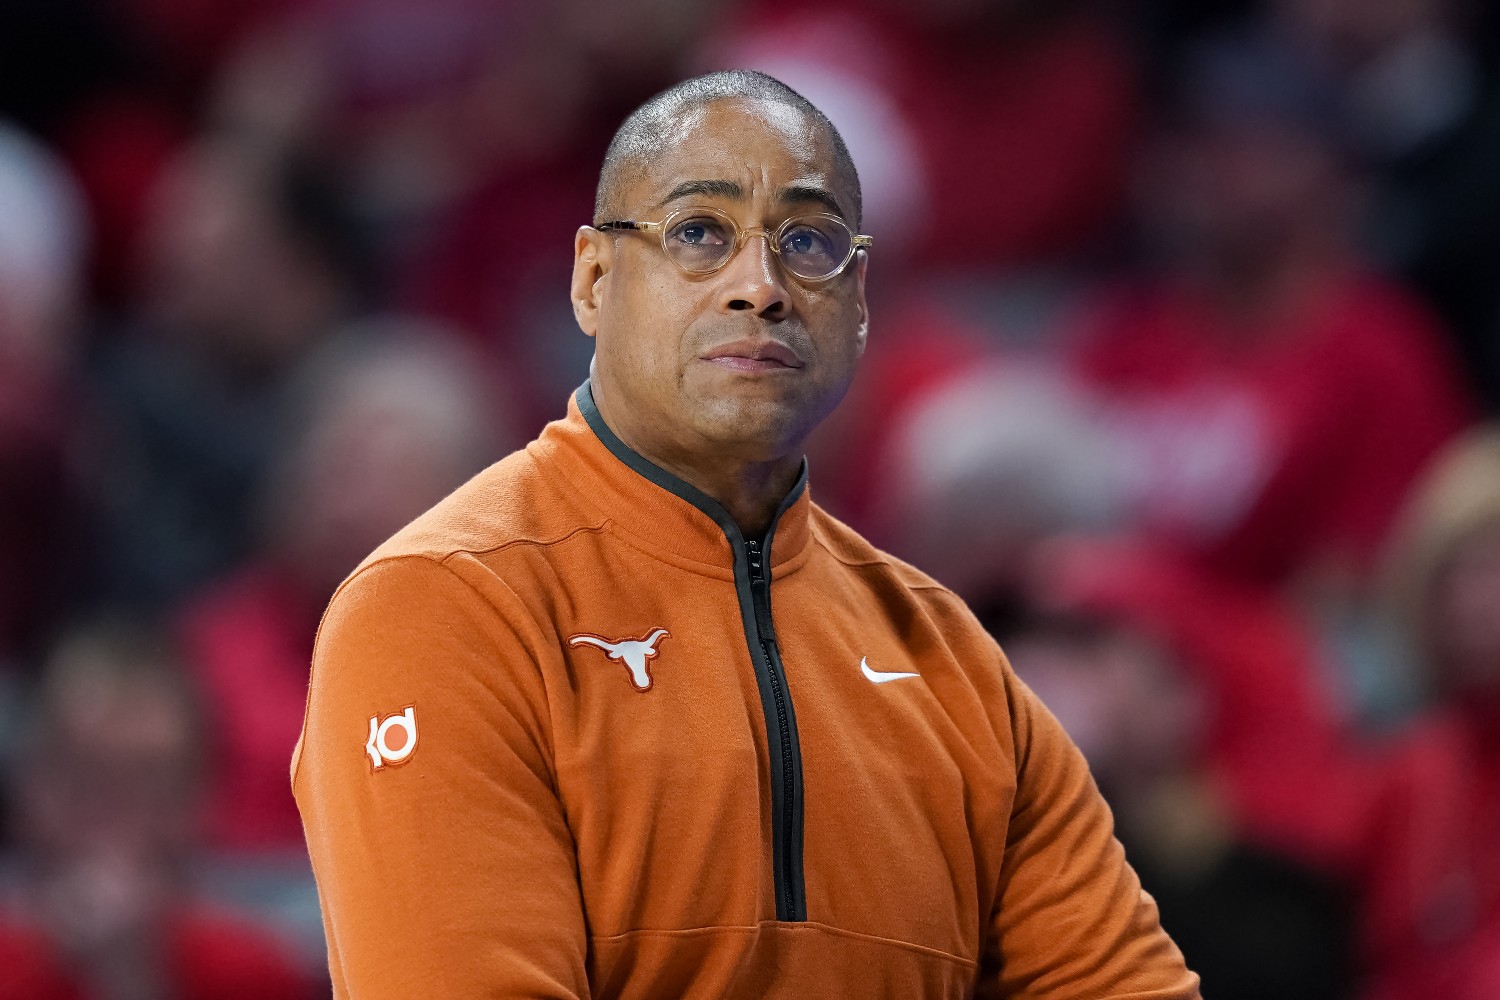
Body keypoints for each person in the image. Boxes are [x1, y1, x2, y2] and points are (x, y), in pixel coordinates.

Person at [293, 70, 1200, 999]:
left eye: (808, 243)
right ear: (594, 281)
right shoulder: (439, 605)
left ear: (859, 304)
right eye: (699, 233)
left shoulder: (950, 655)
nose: (761, 288)